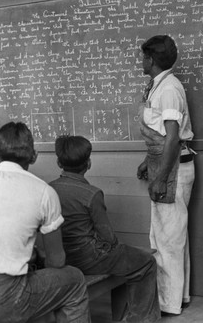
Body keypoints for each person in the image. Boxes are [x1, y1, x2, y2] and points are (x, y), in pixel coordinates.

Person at [0, 122, 89, 323]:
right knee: (74, 280)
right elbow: (57, 261)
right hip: (0, 300)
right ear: (34, 156)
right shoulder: (43, 192)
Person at [50, 135, 160, 323]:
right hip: (89, 259)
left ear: (59, 162)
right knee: (147, 261)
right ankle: (140, 319)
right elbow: (108, 238)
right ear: (89, 163)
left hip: (61, 256)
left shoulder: (48, 189)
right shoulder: (91, 194)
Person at [137, 35, 195, 316]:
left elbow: (172, 138)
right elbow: (160, 135)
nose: (141, 61)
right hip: (166, 164)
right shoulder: (159, 86)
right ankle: (178, 298)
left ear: (150, 60)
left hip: (172, 170)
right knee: (172, 236)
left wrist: (159, 177)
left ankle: (168, 304)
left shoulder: (169, 88)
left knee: (167, 241)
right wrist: (147, 162)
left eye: (143, 57)